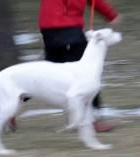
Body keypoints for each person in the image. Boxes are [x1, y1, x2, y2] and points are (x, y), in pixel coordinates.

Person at [38, 0, 121, 132]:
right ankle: (94, 120)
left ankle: (14, 98)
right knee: (88, 74)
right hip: (68, 27)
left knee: (46, 71)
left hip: (48, 28)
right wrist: (111, 15)